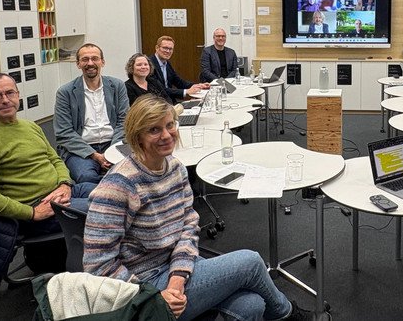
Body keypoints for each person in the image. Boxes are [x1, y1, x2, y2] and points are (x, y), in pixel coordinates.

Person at [82, 96, 314, 321]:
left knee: (252, 305)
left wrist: (177, 278)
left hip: (174, 269)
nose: (166, 135)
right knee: (251, 262)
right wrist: (152, 296)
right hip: (142, 287)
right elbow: (97, 265)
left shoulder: (175, 168)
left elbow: (188, 226)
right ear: (137, 136)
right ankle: (288, 314)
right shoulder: (118, 185)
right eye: (154, 130)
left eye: (170, 125)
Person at [0, 73, 92, 270]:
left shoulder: (30, 126)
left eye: (10, 93)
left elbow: (55, 160)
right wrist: (32, 212)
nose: (5, 100)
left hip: (62, 193)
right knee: (106, 207)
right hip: (37, 207)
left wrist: (65, 184)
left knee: (117, 192)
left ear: (18, 94)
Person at [54, 43, 129, 187]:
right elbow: (63, 132)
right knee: (86, 177)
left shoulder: (117, 86)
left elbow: (124, 122)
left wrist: (110, 152)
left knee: (130, 172)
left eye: (95, 58)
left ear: (102, 62)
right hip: (81, 148)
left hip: (113, 142)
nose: (90, 63)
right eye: (85, 59)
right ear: (78, 64)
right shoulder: (65, 92)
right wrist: (94, 155)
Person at [149, 36, 208, 101]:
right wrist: (186, 91)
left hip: (169, 100)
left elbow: (178, 82)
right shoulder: (149, 65)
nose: (168, 51)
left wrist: (198, 85)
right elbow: (160, 89)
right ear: (157, 48)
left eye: (170, 49)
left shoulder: (167, 63)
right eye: (165, 48)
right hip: (157, 103)